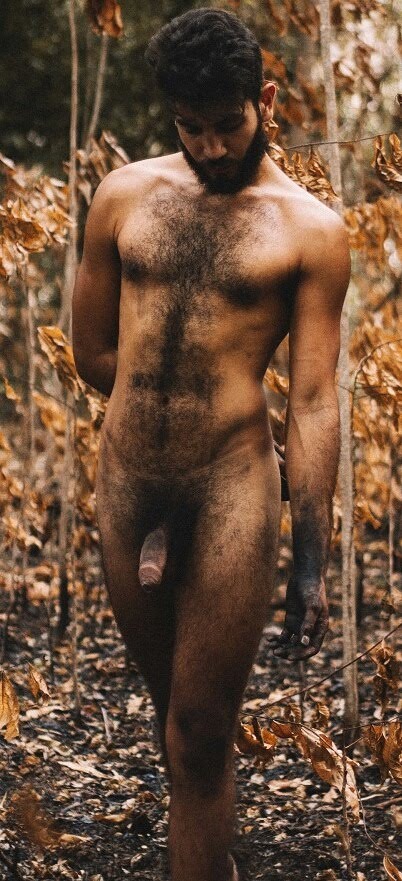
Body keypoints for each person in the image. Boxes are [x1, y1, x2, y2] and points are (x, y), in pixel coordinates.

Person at [72, 8, 351, 880]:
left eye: (228, 124)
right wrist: (161, 424)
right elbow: (93, 354)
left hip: (232, 487)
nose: (211, 146)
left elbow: (313, 402)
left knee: (199, 732)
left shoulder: (310, 231)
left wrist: (311, 560)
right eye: (191, 127)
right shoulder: (123, 197)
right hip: (129, 486)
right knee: (174, 723)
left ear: (264, 100)